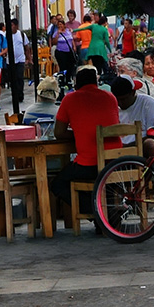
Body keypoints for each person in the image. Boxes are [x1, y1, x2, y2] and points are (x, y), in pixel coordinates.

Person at [50, 66, 121, 230]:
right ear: (96, 81)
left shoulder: (70, 99)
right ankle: (106, 215)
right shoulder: (110, 97)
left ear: (76, 83)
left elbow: (59, 133)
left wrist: (78, 132)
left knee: (58, 184)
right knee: (102, 182)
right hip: (116, 162)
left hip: (89, 163)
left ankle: (96, 213)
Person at [110, 74, 154, 155]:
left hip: (141, 144)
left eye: (123, 99)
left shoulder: (148, 103)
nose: (120, 103)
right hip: (117, 146)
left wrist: (131, 145)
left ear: (133, 92)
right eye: (117, 99)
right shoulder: (112, 105)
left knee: (150, 144)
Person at [50, 14, 77, 87]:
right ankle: (62, 81)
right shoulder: (56, 33)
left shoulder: (68, 31)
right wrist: (58, 34)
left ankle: (68, 80)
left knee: (70, 67)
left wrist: (74, 46)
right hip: (61, 52)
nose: (60, 26)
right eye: (59, 25)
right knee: (63, 67)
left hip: (69, 52)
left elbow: (71, 39)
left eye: (61, 24)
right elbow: (54, 42)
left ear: (64, 25)